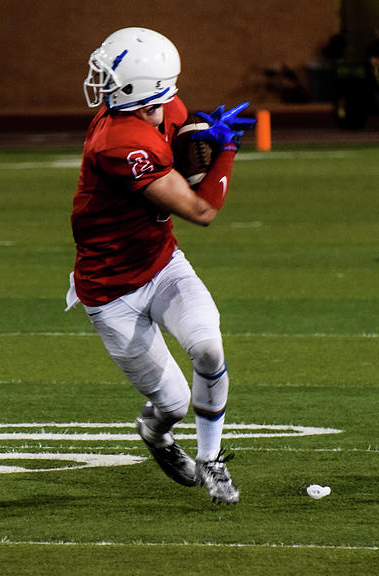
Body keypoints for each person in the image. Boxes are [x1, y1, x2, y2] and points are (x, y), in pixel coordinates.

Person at [67, 27, 254, 504]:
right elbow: (202, 210)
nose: (102, 82)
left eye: (110, 74)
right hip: (112, 292)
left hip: (162, 263)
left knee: (209, 349)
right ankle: (155, 432)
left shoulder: (163, 109)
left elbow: (180, 133)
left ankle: (211, 461)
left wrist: (199, 137)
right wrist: (226, 152)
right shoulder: (117, 140)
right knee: (171, 402)